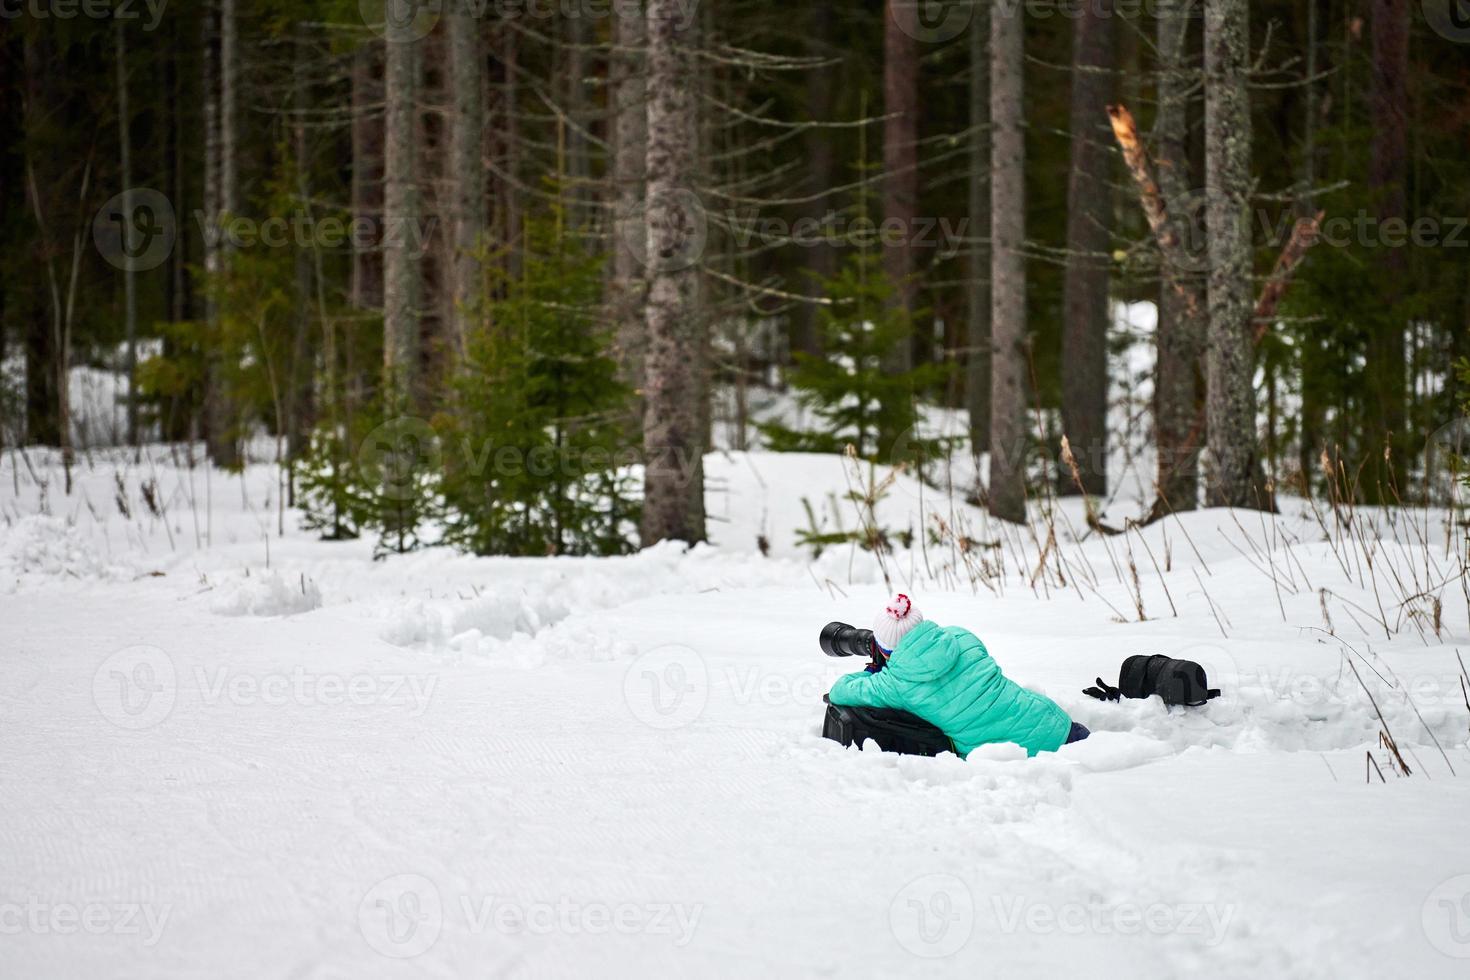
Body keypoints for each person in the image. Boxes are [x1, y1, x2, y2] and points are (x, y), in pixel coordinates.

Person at [827, 594, 1089, 757]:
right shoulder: (961, 636)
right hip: (1058, 726)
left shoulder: (895, 684)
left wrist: (877, 671)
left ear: (884, 650)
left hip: (1014, 759)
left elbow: (840, 690)